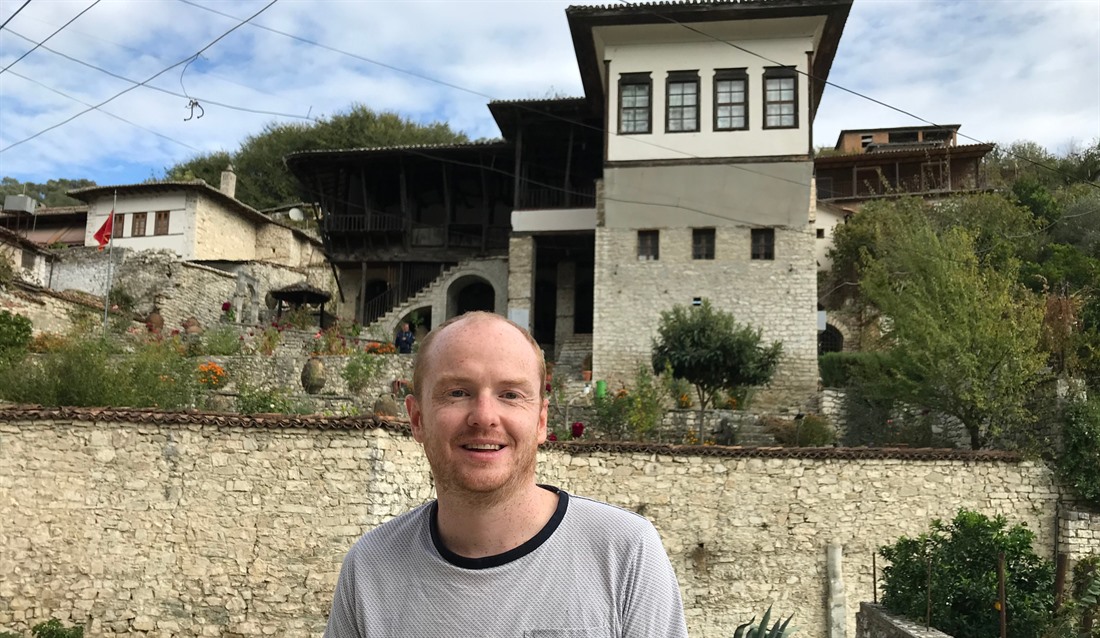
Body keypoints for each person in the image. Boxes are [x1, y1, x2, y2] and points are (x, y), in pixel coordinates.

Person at [324, 311, 688, 638]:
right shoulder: (369, 569)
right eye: (457, 392)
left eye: (511, 394)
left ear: (541, 420)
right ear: (417, 419)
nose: (484, 416)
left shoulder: (624, 554)